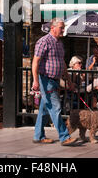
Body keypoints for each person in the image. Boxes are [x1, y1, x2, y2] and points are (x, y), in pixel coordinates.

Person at [32, 18, 78, 146]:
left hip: (55, 80)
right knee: (56, 107)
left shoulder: (59, 43)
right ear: (53, 28)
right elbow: (35, 62)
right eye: (61, 28)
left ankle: (38, 136)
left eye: (63, 28)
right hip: (46, 80)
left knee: (45, 109)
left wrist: (69, 81)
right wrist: (35, 81)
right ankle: (64, 137)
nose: (63, 30)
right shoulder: (43, 41)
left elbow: (62, 63)